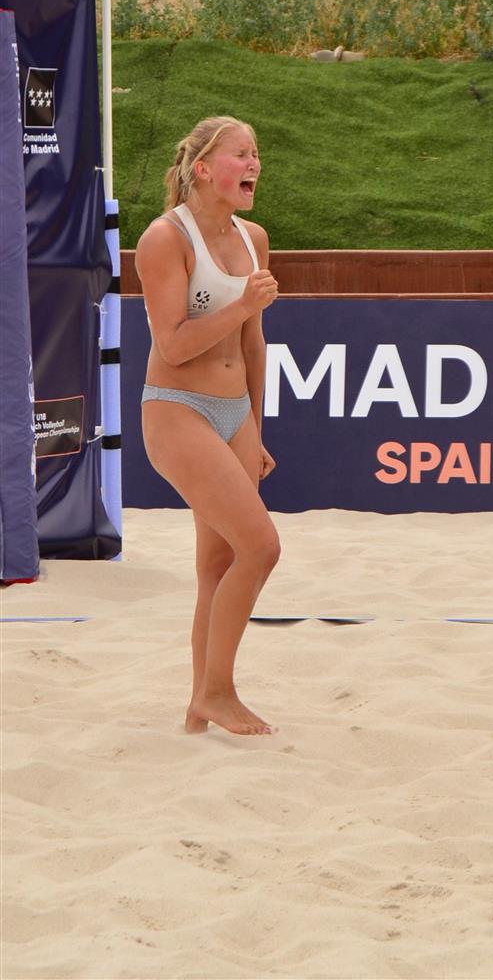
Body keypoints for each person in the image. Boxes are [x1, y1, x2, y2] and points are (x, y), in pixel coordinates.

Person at [135, 115, 280, 737]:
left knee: (218, 569)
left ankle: (201, 704)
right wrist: (243, 303)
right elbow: (172, 346)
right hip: (178, 409)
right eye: (241, 154)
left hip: (235, 412)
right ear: (202, 169)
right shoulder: (165, 238)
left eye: (256, 154)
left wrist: (257, 426)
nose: (254, 164)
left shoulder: (254, 237)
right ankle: (218, 692)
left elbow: (253, 341)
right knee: (262, 547)